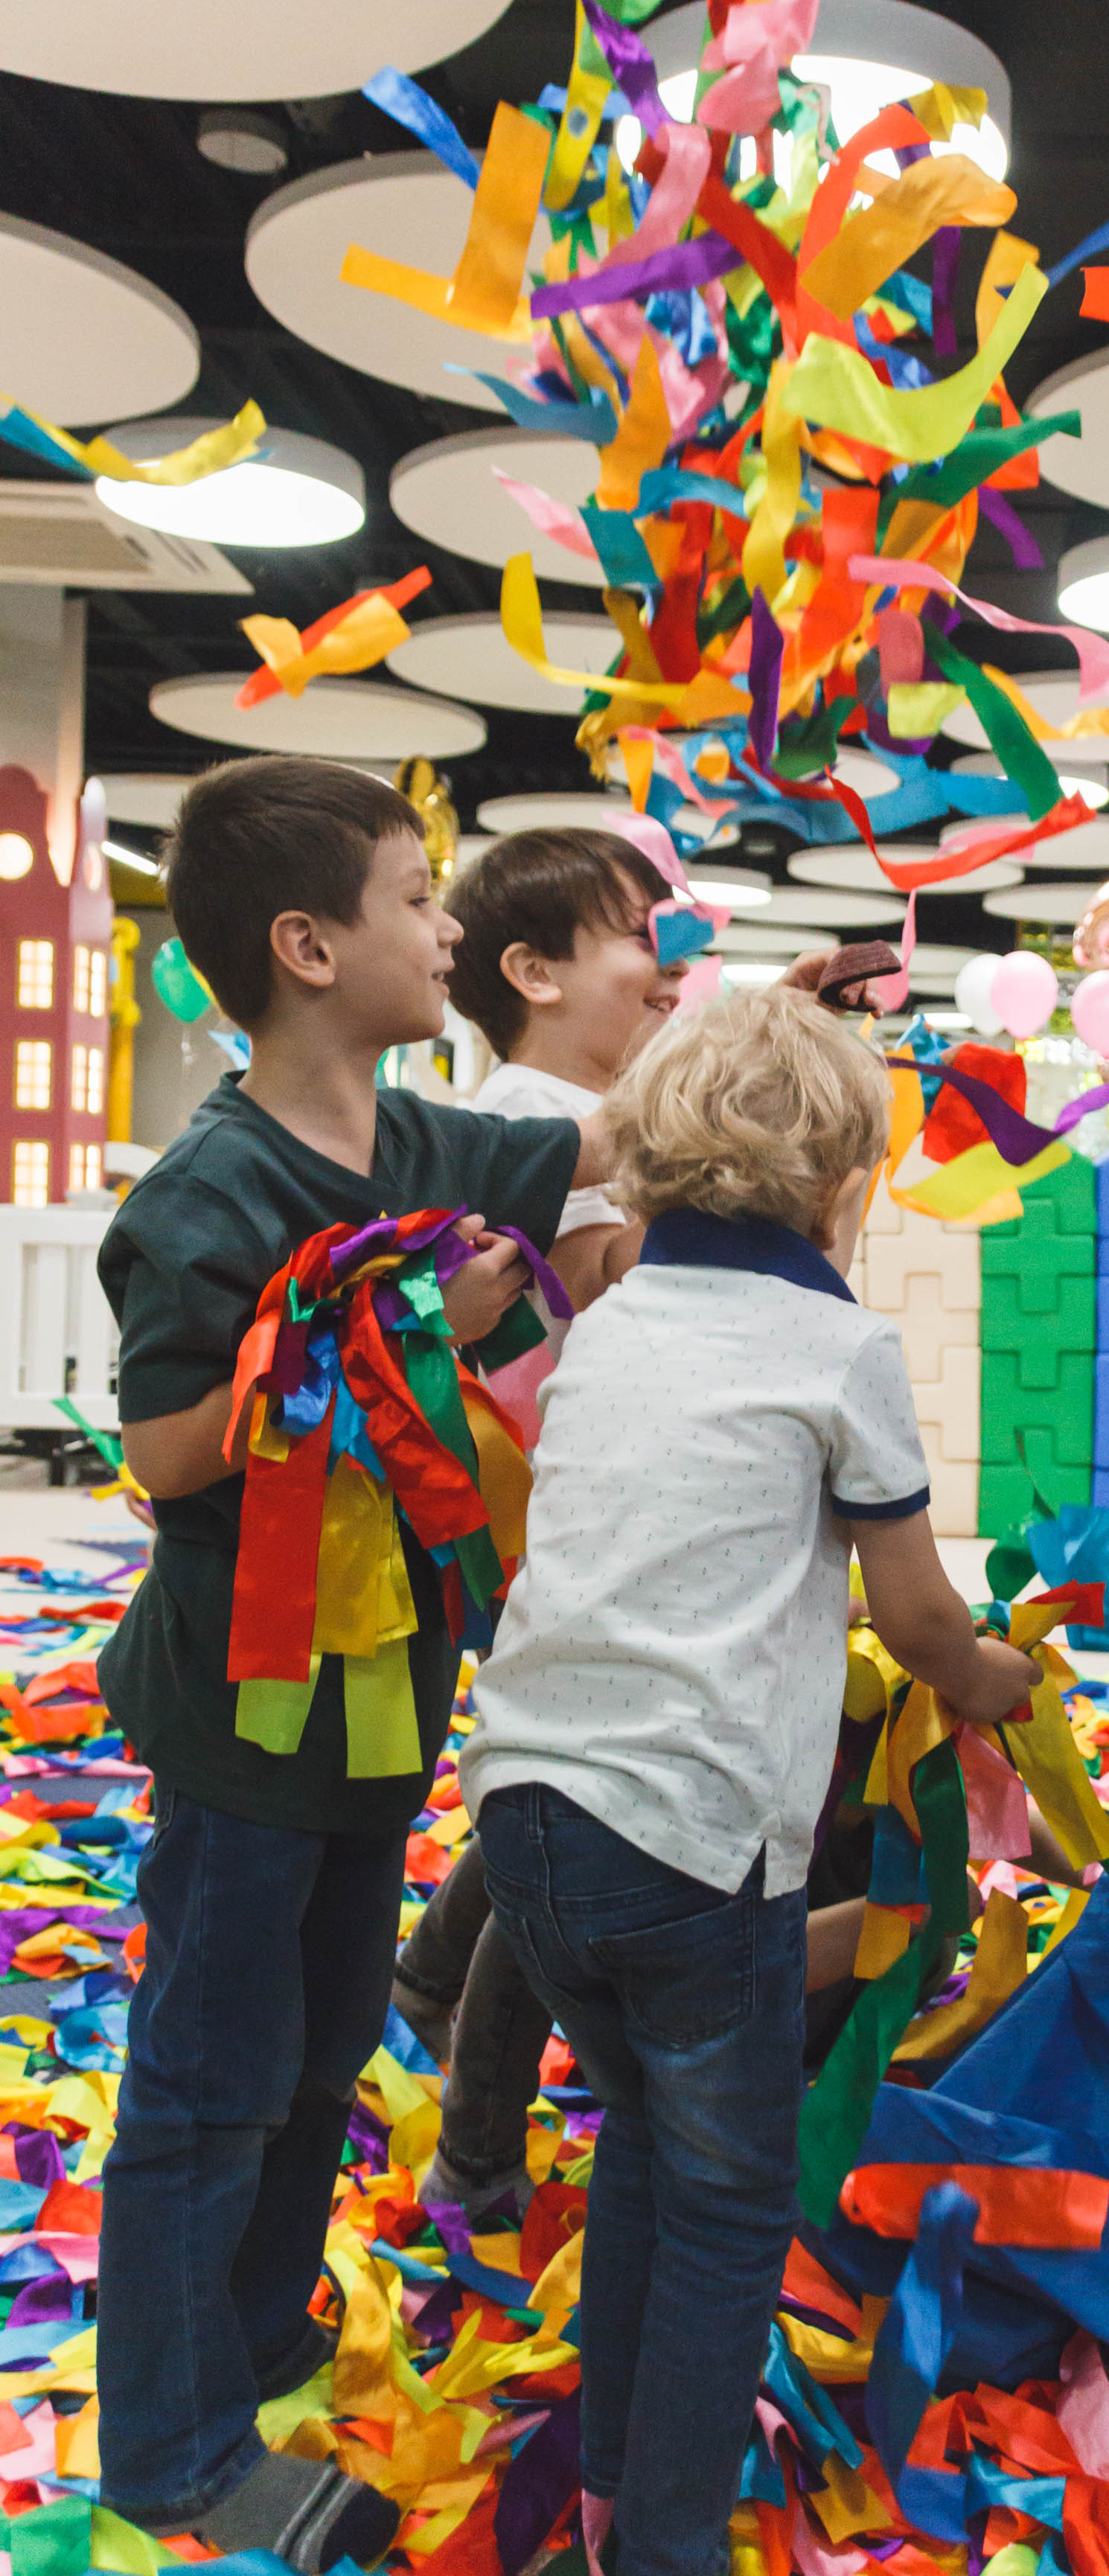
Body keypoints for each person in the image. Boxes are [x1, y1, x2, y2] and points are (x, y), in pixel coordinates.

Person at [94, 758, 617, 2567]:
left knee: (320, 2046)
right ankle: (166, 2449)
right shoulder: (207, 1193)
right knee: (204, 2072)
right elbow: (165, 1447)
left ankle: (249, 2336)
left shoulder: (428, 1143)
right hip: (248, 1716)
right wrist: (400, 1323)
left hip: (385, 1696)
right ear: (311, 947)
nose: (451, 928)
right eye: (418, 898)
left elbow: (603, 1157)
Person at [458, 985, 1038, 2576]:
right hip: (691, 1835)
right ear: (842, 1187)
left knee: (643, 2136)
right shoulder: (839, 1346)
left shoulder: (614, 1325)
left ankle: (604, 2498)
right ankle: (662, 2544)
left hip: (524, 1822)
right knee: (729, 2205)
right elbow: (917, 1618)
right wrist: (996, 1682)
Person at [391, 825, 682, 2227]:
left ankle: (433, 1975)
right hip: (546, 1533)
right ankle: (481, 2149)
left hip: (589, 1526)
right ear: (532, 972)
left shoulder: (557, 1120)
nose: (667, 968)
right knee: (577, 1817)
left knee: (551, 1803)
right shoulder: (518, 1126)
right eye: (637, 932)